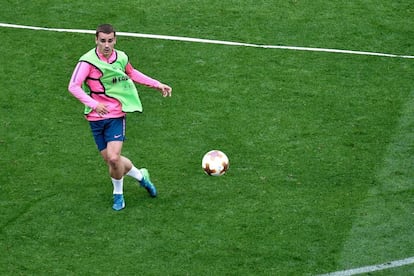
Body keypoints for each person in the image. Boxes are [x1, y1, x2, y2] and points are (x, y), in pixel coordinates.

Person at [68, 24, 172, 211]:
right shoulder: (87, 62)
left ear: (114, 40)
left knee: (114, 158)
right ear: (96, 40)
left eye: (110, 41)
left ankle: (118, 195)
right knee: (110, 160)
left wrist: (157, 84)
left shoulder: (121, 57)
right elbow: (73, 86)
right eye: (102, 41)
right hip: (95, 117)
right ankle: (142, 177)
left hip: (116, 114)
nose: (106, 45)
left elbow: (132, 73)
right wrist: (94, 105)